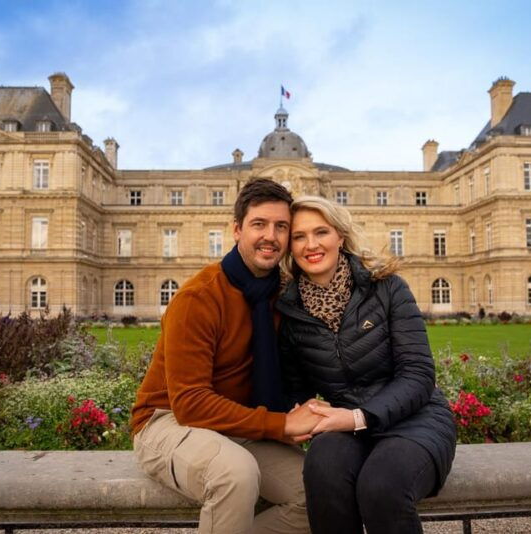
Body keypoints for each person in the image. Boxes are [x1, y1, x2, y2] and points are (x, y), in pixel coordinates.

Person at [130, 179, 320, 534]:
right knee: (235, 473)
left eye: (281, 227)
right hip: (167, 420)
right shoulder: (199, 297)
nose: (271, 236)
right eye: (259, 224)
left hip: (236, 422)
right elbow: (189, 403)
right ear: (236, 230)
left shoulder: (284, 295)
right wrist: (280, 425)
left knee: (320, 492)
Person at [276, 195, 457, 534]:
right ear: (289, 246)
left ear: (340, 237)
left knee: (381, 487)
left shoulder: (387, 287)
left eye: (321, 232)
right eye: (299, 237)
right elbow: (296, 388)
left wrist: (359, 417)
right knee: (322, 470)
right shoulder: (289, 310)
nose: (311, 245)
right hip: (346, 426)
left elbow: (418, 375)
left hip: (414, 421)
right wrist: (297, 413)